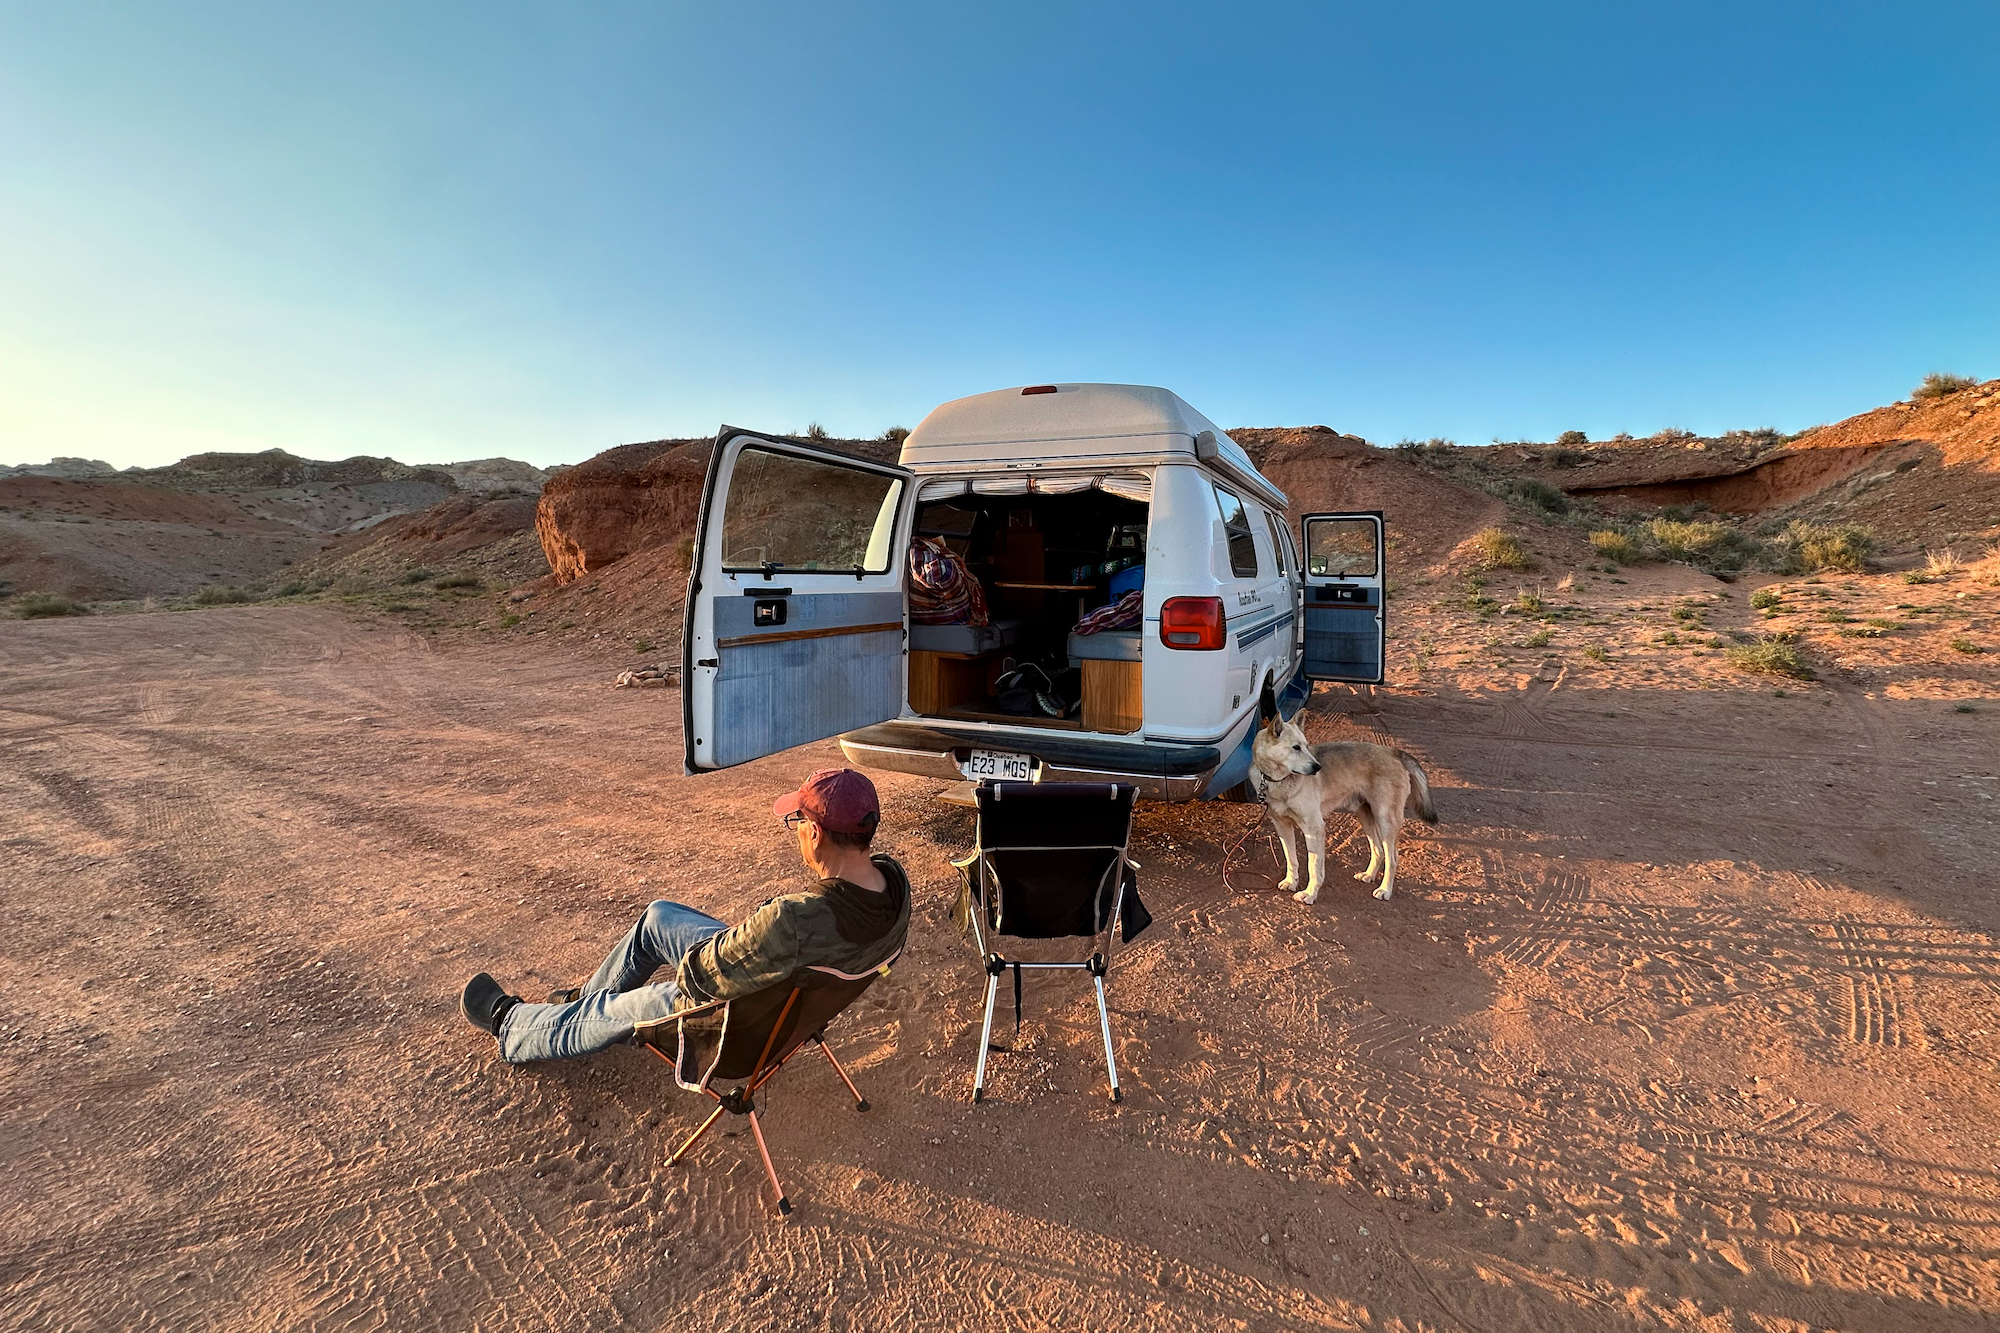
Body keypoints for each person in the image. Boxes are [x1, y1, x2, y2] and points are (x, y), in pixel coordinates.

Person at [460, 768, 909, 1063]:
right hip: (783, 1008)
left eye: (797, 824)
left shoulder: (793, 918)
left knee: (610, 1008)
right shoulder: (893, 886)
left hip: (731, 1028)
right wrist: (747, 940)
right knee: (659, 917)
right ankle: (579, 1008)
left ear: (815, 833)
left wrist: (745, 936)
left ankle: (512, 1026)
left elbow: (698, 978)